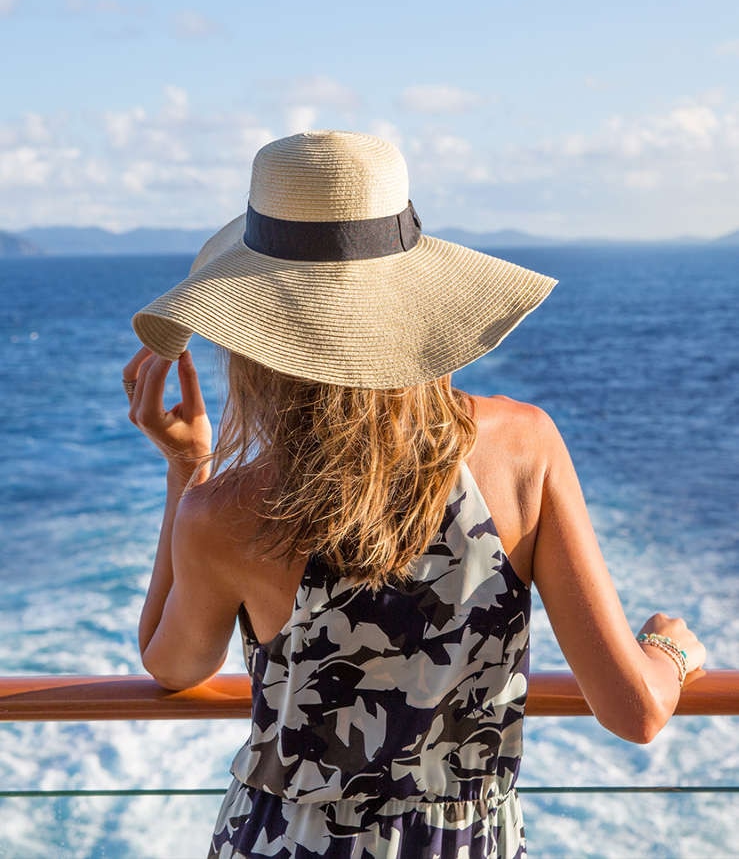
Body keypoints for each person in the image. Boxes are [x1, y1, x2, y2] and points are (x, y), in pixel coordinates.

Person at [124, 131, 705, 859]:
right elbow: (635, 710)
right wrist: (667, 651)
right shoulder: (524, 446)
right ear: (418, 298)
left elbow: (171, 664)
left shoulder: (225, 513)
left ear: (251, 331)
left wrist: (188, 468)